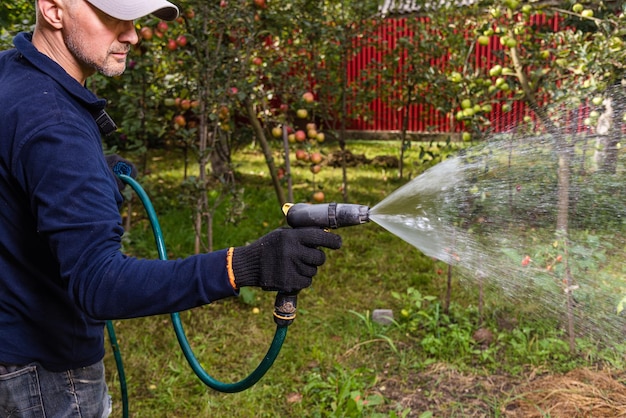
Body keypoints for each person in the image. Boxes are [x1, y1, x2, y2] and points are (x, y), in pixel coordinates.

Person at [0, 0, 342, 416]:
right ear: (53, 10)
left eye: (134, 20)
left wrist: (80, 176)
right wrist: (244, 266)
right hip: (45, 377)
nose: (132, 35)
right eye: (114, 18)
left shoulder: (13, 75)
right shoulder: (55, 124)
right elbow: (99, 284)